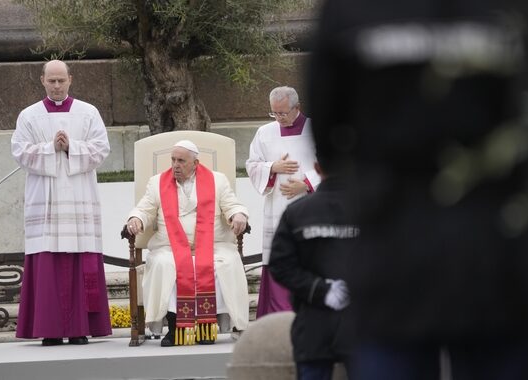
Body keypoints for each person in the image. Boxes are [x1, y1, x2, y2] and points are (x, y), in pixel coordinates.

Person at [307, 1, 528, 379]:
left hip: (395, 237)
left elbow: (328, 130)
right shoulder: (511, 10)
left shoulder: (351, 11)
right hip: (494, 238)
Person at [12, 60, 112, 346]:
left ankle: (81, 328)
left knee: (80, 260)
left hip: (79, 197)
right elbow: (19, 152)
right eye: (51, 81)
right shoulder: (29, 116)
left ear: (70, 79)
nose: (57, 86)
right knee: (48, 262)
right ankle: (50, 329)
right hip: (45, 200)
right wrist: (50, 148)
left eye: (61, 80)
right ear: (42, 80)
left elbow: (101, 149)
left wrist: (72, 147)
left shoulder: (88, 112)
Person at [126, 140, 250, 346]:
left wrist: (238, 215)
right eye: (173, 160)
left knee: (227, 263)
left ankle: (206, 328)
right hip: (168, 247)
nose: (175, 165)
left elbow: (232, 204)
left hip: (213, 245)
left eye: (181, 161)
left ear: (195, 162)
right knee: (163, 264)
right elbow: (144, 209)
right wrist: (136, 219)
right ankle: (174, 329)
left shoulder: (217, 180)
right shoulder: (157, 182)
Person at [268, 157, 358, 380]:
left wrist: (320, 289)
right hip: (362, 325)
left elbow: (280, 265)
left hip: (313, 326)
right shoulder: (374, 210)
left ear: (317, 169)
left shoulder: (296, 212)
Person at [246, 86, 321, 318]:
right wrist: (272, 168)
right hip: (277, 206)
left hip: (311, 206)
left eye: (283, 113)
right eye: (274, 113)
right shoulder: (265, 132)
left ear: (297, 108)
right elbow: (252, 164)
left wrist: (307, 183)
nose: (279, 118)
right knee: (281, 258)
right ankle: (278, 316)